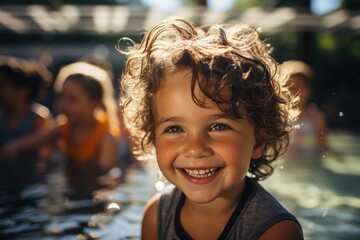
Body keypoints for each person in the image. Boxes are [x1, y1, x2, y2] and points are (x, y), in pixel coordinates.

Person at [119, 18, 303, 239]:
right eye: (175, 129)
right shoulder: (156, 217)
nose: (195, 149)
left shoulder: (275, 232)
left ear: (259, 140)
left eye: (218, 126)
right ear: (153, 136)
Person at [2, 71, 120, 199]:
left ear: (94, 104)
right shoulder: (63, 127)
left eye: (72, 99)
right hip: (71, 190)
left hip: (94, 196)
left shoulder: (105, 136)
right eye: (61, 97)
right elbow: (28, 142)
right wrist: (11, 149)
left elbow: (105, 176)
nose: (63, 105)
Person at [0, 55, 53, 194]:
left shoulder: (38, 118)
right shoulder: (2, 116)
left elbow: (46, 158)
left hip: (29, 186)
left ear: (24, 90)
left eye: (2, 86)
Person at [280, 60, 327, 169]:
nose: (292, 91)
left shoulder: (317, 118)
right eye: (288, 85)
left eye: (298, 86)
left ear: (309, 90)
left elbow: (323, 148)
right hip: (285, 168)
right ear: (279, 89)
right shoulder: (277, 118)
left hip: (309, 167)